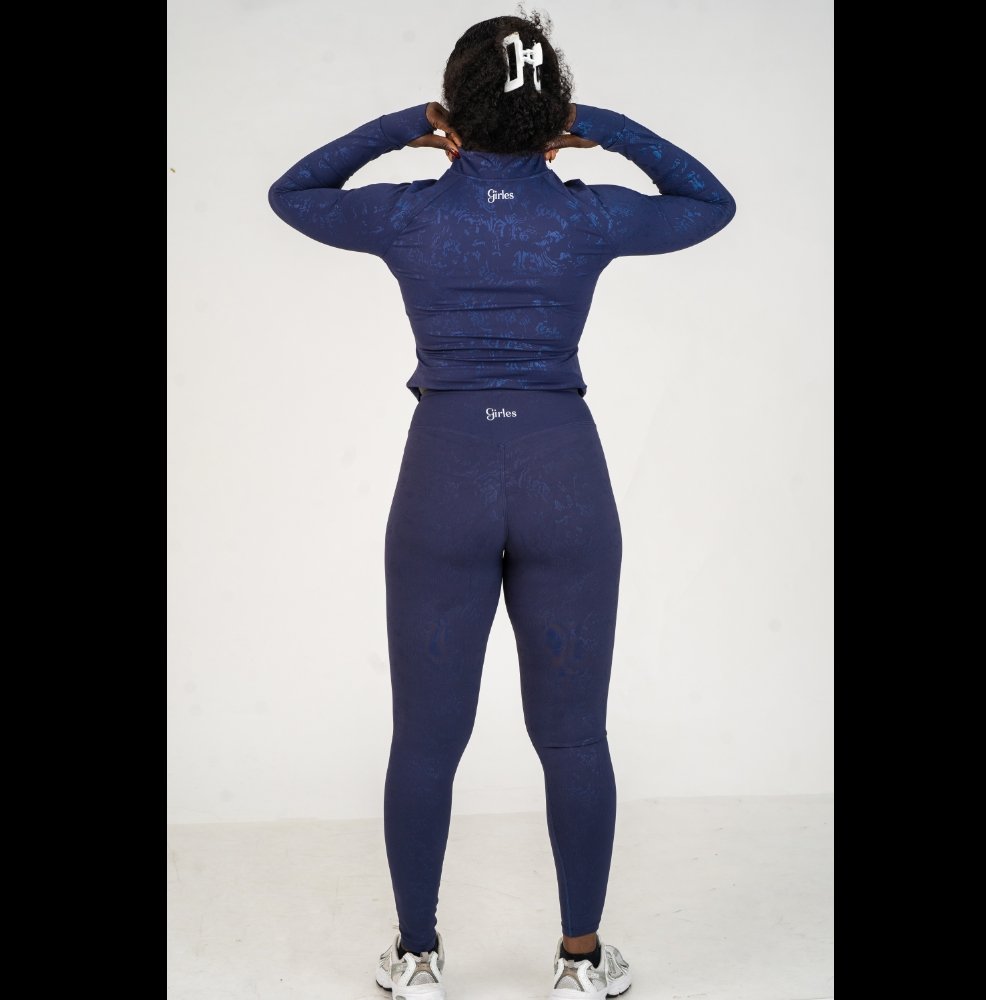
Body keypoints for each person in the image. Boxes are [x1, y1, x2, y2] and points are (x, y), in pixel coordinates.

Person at [267, 10, 735, 999]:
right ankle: (580, 962)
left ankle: (417, 958)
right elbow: (709, 202)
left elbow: (293, 192)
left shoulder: (407, 214)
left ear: (453, 108)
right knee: (573, 737)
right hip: (562, 473)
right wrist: (599, 126)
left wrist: (404, 127)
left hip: (445, 473)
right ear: (553, 108)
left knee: (425, 739)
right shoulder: (585, 216)